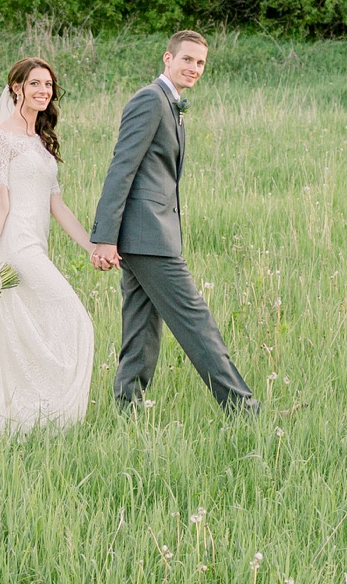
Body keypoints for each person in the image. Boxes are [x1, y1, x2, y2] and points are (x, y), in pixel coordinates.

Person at [90, 30, 257, 415]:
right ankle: (242, 408)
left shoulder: (172, 103)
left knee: (141, 330)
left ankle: (125, 411)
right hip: (147, 236)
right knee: (197, 323)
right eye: (187, 59)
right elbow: (121, 168)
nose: (194, 68)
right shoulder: (151, 100)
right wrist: (105, 237)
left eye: (200, 62)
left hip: (146, 235)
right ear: (168, 58)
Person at [0, 57, 97, 439]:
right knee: (76, 319)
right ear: (17, 87)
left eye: (48, 85)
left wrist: (91, 246)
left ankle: (30, 413)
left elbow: (57, 205)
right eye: (35, 83)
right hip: (17, 248)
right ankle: (53, 412)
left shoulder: (40, 140)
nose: (43, 91)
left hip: (37, 244)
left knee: (30, 330)